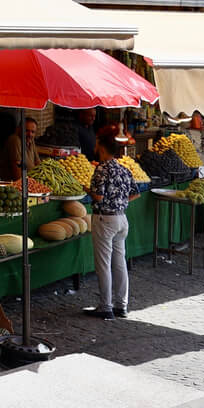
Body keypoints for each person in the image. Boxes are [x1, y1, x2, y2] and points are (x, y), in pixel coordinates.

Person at [83, 126, 136, 319]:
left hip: (105, 219)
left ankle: (105, 306)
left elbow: (97, 196)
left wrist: (86, 189)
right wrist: (119, 202)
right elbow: (135, 193)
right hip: (122, 219)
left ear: (102, 148)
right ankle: (121, 305)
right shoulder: (123, 169)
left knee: (104, 264)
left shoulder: (101, 169)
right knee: (119, 262)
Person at [0, 116, 41, 183]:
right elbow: (17, 171)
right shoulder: (15, 140)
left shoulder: (30, 140)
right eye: (26, 131)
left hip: (31, 181)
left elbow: (38, 162)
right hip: (14, 184)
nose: (30, 134)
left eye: (33, 132)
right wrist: (27, 185)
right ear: (19, 129)